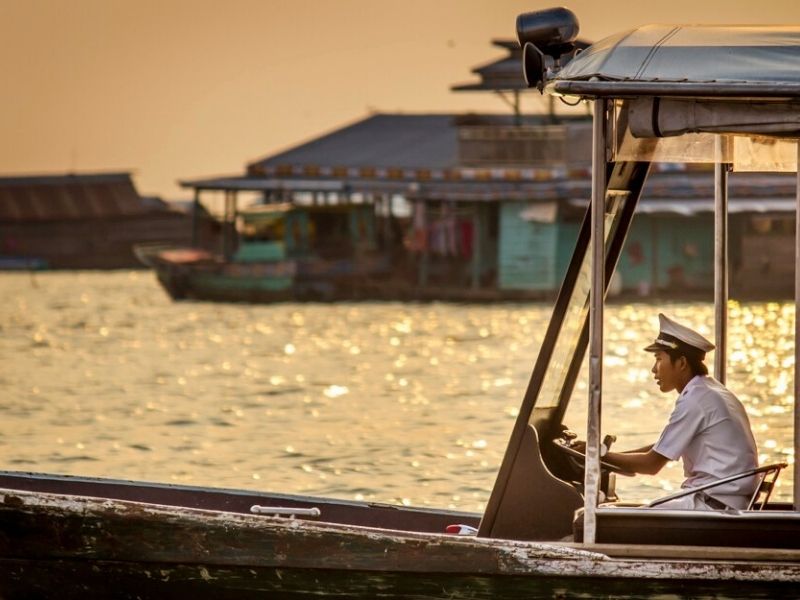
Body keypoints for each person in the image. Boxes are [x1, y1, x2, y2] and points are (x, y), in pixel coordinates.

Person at [601, 313, 759, 510]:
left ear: (682, 363)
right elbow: (660, 449)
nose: (654, 369)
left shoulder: (695, 400)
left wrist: (598, 456)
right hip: (722, 502)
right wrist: (606, 455)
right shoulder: (708, 391)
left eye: (659, 359)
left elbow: (651, 464)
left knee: (606, 521)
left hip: (712, 507)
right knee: (620, 513)